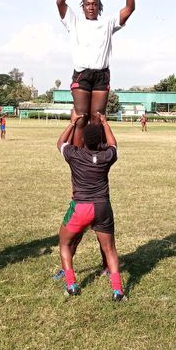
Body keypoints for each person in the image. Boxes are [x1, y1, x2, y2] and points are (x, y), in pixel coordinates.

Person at [57, 0, 135, 146]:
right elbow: (60, 2)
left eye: (94, 4)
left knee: (97, 119)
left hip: (101, 75)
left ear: (99, 6)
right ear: (82, 6)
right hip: (82, 74)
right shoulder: (74, 21)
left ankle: (95, 155)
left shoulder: (108, 23)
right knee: (81, 118)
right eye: (87, 4)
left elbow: (130, 8)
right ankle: (77, 156)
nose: (91, 6)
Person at [56, 110, 125, 301]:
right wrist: (105, 123)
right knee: (110, 249)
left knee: (64, 242)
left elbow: (60, 143)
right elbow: (113, 145)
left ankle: (71, 284)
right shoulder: (106, 157)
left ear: (84, 140)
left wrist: (72, 124)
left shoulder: (75, 155)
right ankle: (118, 290)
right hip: (102, 207)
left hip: (81, 208)